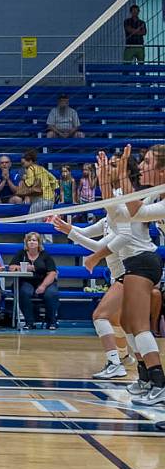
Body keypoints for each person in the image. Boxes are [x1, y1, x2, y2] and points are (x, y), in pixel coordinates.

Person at [87, 145, 165, 406]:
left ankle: (158, 381)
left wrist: (118, 177)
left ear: (162, 171)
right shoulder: (153, 195)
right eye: (140, 162)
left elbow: (134, 217)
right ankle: (148, 379)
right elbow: (117, 213)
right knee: (131, 324)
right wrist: (107, 181)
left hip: (144, 262)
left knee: (137, 324)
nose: (142, 165)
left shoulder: (153, 196)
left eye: (147, 162)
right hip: (138, 263)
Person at [52, 153, 138, 377]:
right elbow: (91, 232)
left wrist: (72, 233)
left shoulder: (125, 202)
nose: (106, 169)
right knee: (120, 323)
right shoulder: (113, 205)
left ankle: (116, 364)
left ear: (123, 171)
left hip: (129, 273)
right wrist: (66, 228)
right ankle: (127, 358)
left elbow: (99, 245)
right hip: (119, 274)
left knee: (101, 316)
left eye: (112, 165)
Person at [9, 232, 60, 330]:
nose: (32, 242)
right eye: (29, 240)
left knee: (51, 294)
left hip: (44, 281)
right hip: (26, 281)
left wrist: (43, 286)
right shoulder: (21, 254)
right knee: (24, 292)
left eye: (34, 240)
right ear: (26, 243)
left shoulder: (45, 255)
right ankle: (29, 322)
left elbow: (52, 273)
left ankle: (52, 321)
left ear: (39, 243)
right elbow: (11, 267)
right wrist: (24, 268)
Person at [18, 149, 59, 218]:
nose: (23, 166)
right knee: (44, 223)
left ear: (30, 161)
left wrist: (24, 179)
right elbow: (54, 180)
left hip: (39, 200)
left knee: (31, 223)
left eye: (23, 163)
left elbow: (29, 183)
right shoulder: (42, 168)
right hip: (50, 200)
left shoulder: (30, 169)